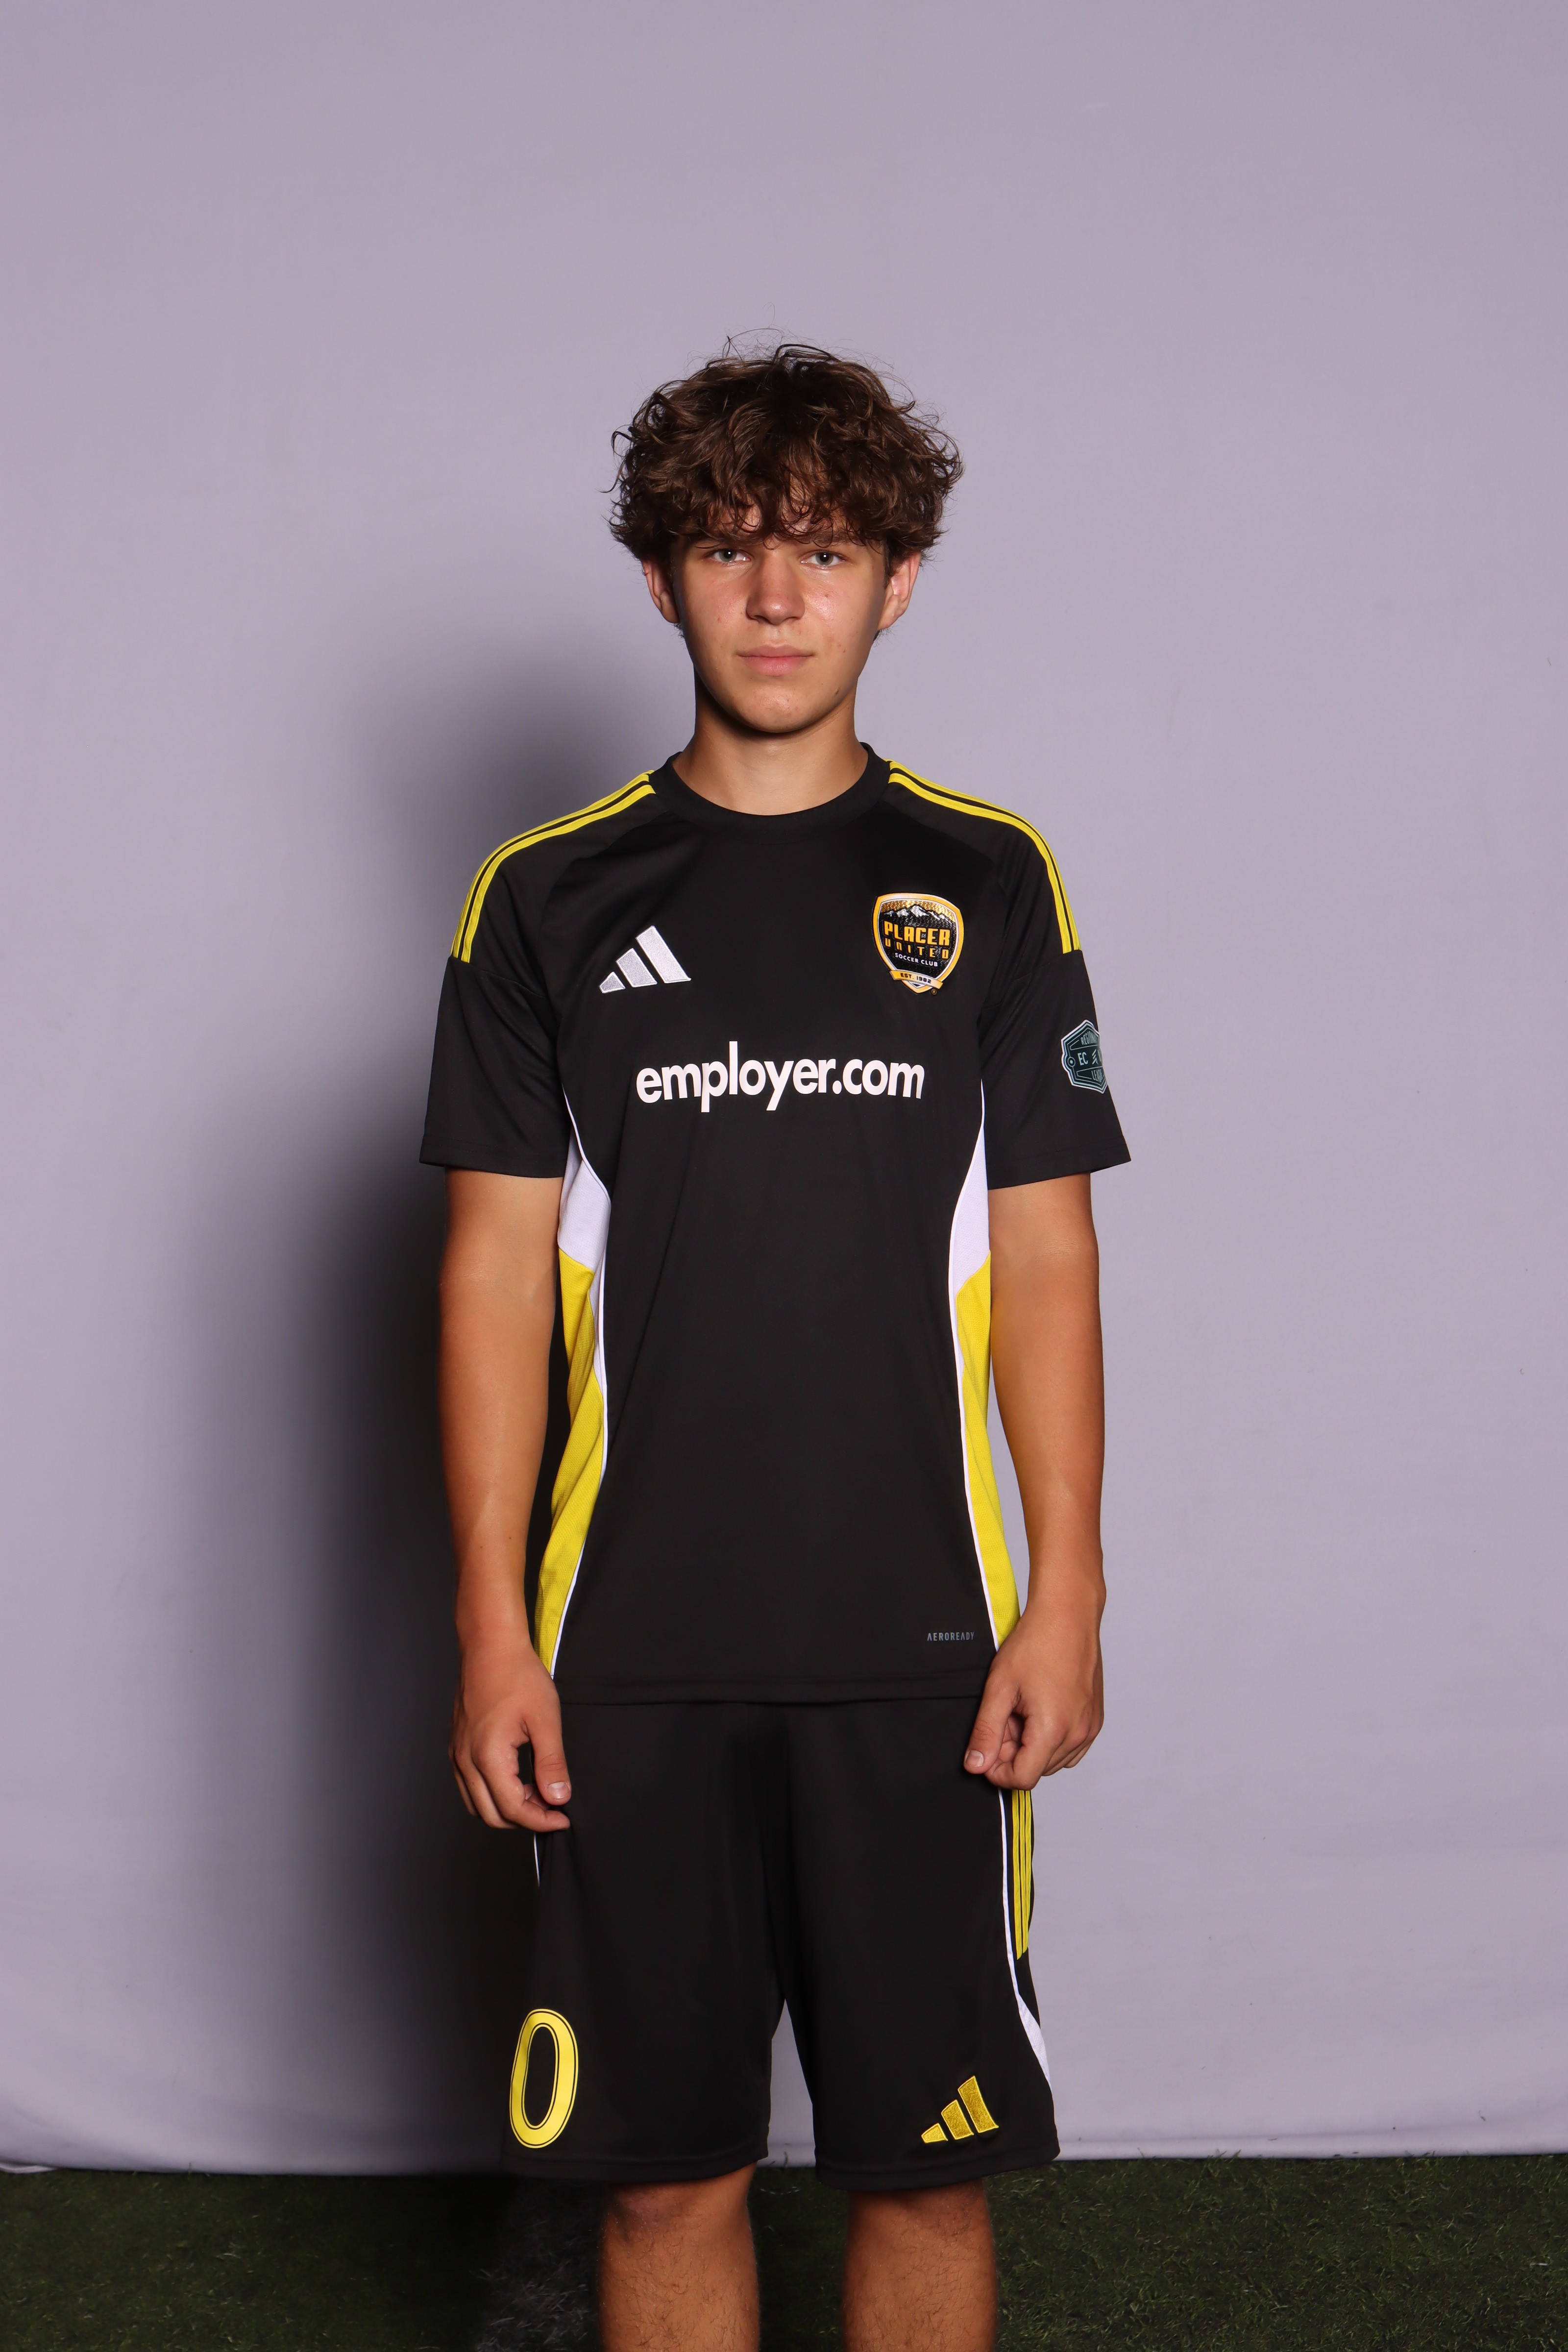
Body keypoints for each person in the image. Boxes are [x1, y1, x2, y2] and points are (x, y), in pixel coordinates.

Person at [420, 343, 1128, 2352]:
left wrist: (1068, 1589)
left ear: (898, 580)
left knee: (922, 2168)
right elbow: (489, 1280)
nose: (775, 593)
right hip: (626, 1656)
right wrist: (491, 1625)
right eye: (729, 546)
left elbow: (1046, 1259)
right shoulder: (542, 899)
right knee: (665, 2178)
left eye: (823, 549)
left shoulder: (989, 881)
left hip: (922, 1650)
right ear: (660, 579)